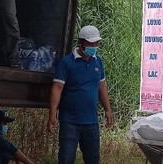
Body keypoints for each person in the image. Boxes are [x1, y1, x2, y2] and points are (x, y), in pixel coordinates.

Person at [47, 25, 115, 164]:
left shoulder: (98, 61)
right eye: (91, 43)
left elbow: (101, 86)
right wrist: (52, 114)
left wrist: (108, 109)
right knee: (66, 159)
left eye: (96, 43)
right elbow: (57, 88)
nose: (94, 46)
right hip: (70, 122)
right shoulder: (67, 63)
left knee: (93, 159)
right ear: (82, 43)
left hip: (91, 122)